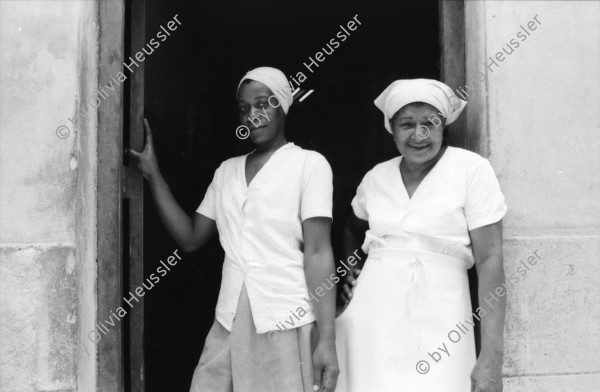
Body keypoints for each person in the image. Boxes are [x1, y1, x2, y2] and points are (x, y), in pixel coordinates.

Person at [129, 67, 339, 392]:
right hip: (229, 318)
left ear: (283, 105)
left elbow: (318, 251)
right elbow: (190, 237)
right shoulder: (226, 172)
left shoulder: (310, 165)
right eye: (244, 108)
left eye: (264, 103)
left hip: (285, 316)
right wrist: (153, 174)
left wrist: (326, 338)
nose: (253, 114)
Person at [335, 79, 507, 392]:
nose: (419, 135)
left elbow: (490, 257)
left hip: (444, 317)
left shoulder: (470, 170)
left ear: (444, 126)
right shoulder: (377, 177)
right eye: (407, 124)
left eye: (430, 123)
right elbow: (352, 227)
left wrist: (492, 356)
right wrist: (350, 270)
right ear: (391, 128)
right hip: (373, 317)